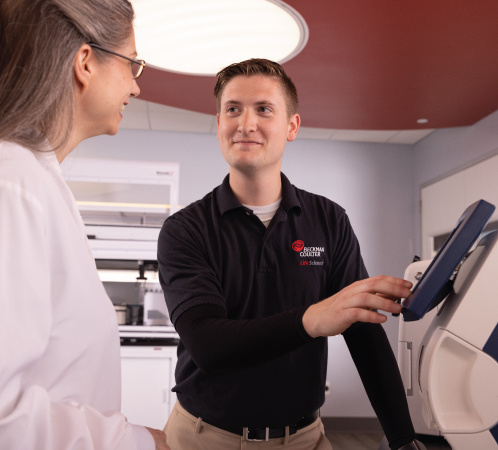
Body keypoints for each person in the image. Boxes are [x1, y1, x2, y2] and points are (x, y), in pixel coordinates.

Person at [0, 1, 169, 449]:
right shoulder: (7, 184)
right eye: (132, 64)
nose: (136, 87)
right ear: (85, 62)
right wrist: (140, 443)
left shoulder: (26, 179)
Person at [157, 59, 423, 450]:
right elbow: (208, 345)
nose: (246, 123)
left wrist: (402, 438)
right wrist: (311, 320)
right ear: (218, 125)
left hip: (305, 439)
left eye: (263, 109)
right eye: (233, 109)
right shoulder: (186, 229)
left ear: (292, 127)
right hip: (204, 438)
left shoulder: (329, 220)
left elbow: (363, 332)